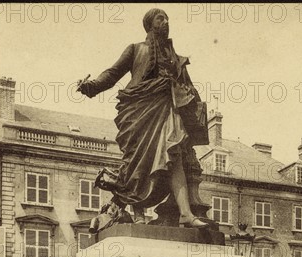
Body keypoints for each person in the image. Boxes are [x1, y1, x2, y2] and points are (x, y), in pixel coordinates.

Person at [78, 8, 208, 228]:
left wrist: (197, 107)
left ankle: (186, 213)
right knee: (137, 164)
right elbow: (113, 73)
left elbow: (188, 86)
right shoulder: (136, 49)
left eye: (168, 18)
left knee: (173, 156)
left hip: (167, 109)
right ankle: (136, 212)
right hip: (138, 111)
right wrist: (91, 87)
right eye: (161, 18)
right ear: (149, 24)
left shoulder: (174, 56)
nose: (166, 22)